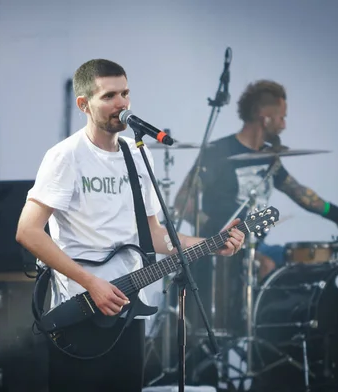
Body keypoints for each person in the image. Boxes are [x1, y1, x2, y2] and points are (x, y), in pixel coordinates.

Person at [15, 59, 246, 392]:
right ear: (84, 104)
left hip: (127, 310)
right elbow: (27, 231)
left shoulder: (137, 156)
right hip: (81, 308)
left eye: (125, 93)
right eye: (109, 95)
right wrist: (91, 282)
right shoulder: (66, 156)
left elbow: (152, 235)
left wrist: (212, 243)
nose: (121, 103)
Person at [174, 79, 338, 281]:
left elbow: (299, 193)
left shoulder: (268, 158)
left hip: (255, 245)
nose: (285, 125)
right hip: (221, 250)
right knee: (266, 264)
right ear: (265, 118)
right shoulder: (218, 153)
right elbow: (182, 203)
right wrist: (216, 235)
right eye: (282, 118)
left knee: (305, 264)